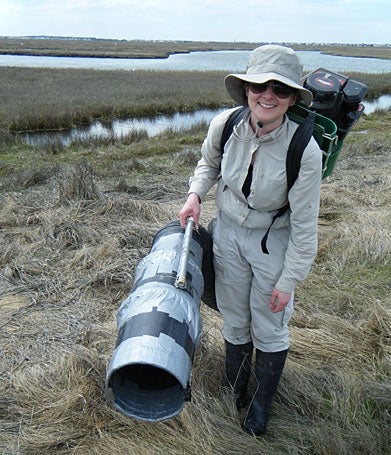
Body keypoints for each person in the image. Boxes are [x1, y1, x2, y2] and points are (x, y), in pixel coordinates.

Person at [179, 44, 322, 436]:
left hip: (271, 244)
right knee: (234, 315)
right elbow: (208, 164)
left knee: (269, 324)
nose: (268, 96)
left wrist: (289, 280)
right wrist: (195, 195)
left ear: (293, 99)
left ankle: (260, 403)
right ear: (246, 89)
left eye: (280, 89)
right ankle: (235, 388)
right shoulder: (225, 125)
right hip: (226, 235)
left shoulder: (304, 150)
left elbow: (306, 226)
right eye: (260, 85)